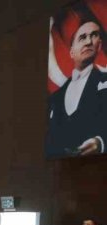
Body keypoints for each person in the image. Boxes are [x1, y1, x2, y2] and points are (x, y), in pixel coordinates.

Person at [46, 17, 107, 158]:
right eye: (82, 37)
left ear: (99, 45)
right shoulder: (55, 98)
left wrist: (101, 143)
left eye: (94, 35)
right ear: (71, 52)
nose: (88, 41)